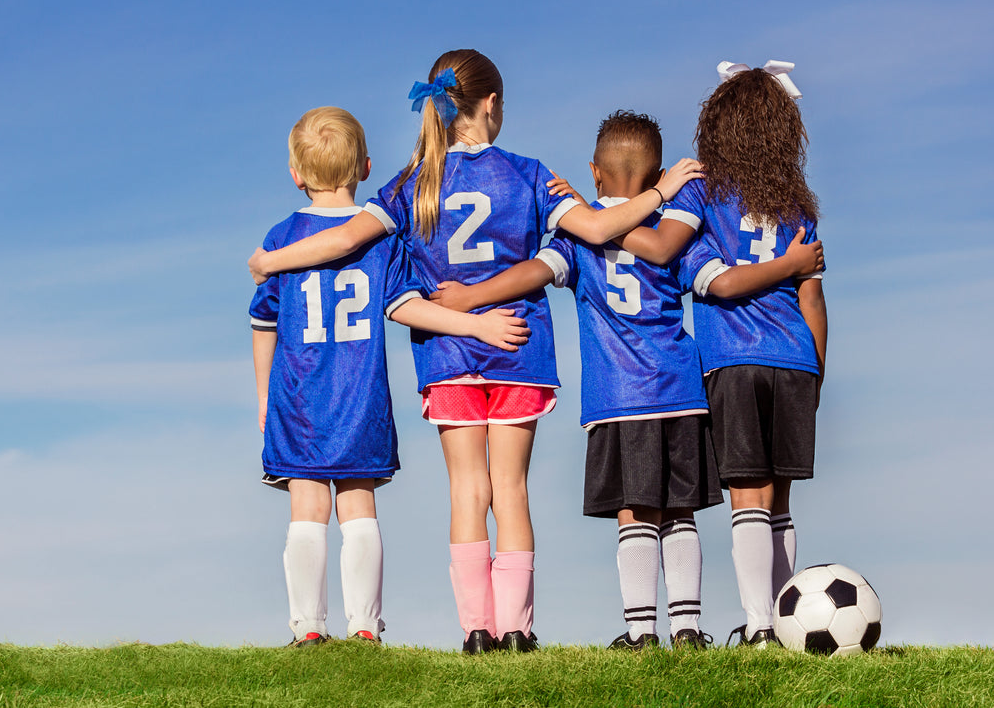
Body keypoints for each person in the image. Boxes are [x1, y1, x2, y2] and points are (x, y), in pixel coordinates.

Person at [247, 49, 701, 653]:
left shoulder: (410, 184)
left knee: (468, 491)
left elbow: (347, 235)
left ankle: (475, 632)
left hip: (446, 354)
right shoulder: (530, 173)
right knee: (511, 490)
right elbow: (596, 231)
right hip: (519, 348)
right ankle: (517, 628)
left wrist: (272, 260)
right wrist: (661, 191)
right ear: (491, 104)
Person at [431, 110, 821, 650]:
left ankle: (640, 632)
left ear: (594, 172)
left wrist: (471, 297)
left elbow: (532, 274)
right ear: (658, 173)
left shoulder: (578, 238)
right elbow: (709, 279)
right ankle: (687, 629)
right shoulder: (673, 237)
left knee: (634, 513)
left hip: (619, 398)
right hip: (682, 391)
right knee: (680, 510)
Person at [251, 106, 530, 648]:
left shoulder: (282, 239)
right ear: (365, 167)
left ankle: (308, 629)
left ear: (295, 174)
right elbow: (408, 308)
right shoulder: (380, 240)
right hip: (361, 398)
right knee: (359, 504)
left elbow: (263, 325)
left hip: (299, 400)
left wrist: (264, 397)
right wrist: (474, 324)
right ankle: (364, 628)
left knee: (307, 506)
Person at [623, 61, 827, 647]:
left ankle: (763, 624)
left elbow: (718, 283)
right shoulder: (796, 206)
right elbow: (813, 302)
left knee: (749, 497)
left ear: (717, 128)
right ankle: (788, 628)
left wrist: (597, 220)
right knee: (781, 498)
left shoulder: (702, 196)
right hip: (795, 362)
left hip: (734, 362)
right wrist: (818, 370)